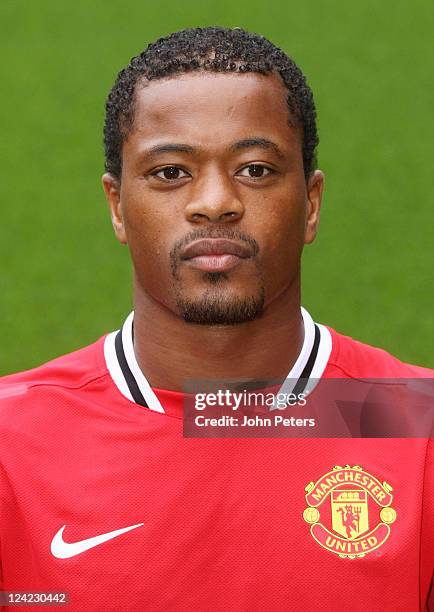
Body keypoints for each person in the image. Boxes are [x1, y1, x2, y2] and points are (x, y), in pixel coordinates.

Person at [0, 27, 432, 611]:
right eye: (170, 172)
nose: (214, 201)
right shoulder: (13, 440)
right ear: (117, 206)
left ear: (311, 203)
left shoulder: (414, 422)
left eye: (254, 169)